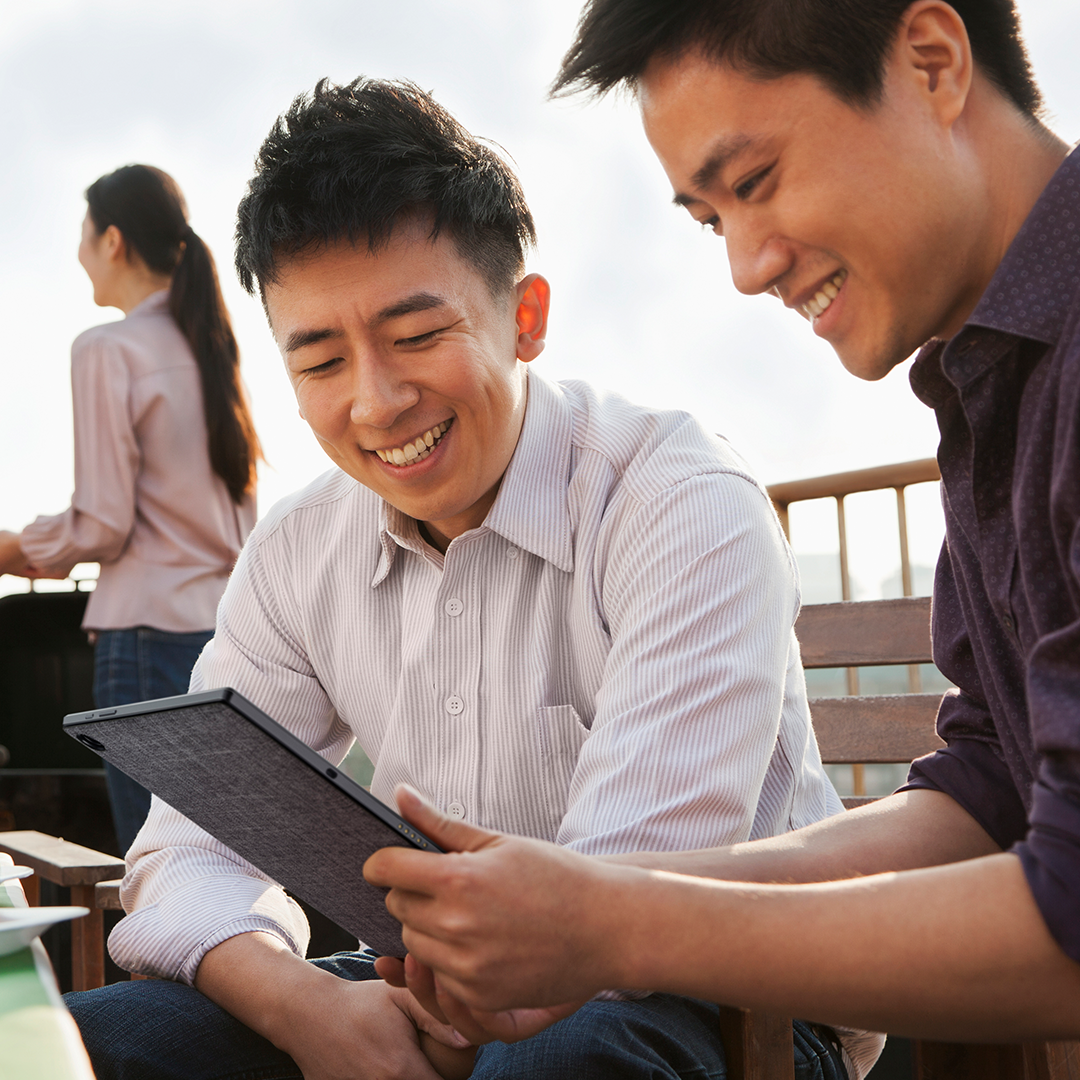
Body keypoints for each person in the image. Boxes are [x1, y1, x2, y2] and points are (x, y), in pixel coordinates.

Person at [62, 78, 876, 1080]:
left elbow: (627, 895)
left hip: (717, 998)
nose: (376, 401)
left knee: (555, 1066)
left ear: (525, 317)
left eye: (415, 337)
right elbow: (189, 849)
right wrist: (308, 1007)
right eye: (319, 360)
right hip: (423, 979)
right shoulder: (297, 550)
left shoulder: (676, 500)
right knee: (86, 1043)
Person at [361, 0, 1080, 1050]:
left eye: (754, 183)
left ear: (931, 62)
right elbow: (988, 792)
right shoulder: (997, 378)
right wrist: (582, 899)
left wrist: (616, 922)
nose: (746, 265)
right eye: (710, 220)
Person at [0, 166, 260, 852]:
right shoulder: (211, 348)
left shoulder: (105, 348)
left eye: (83, 237)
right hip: (222, 635)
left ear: (112, 240)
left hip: (145, 639)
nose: (80, 254)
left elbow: (103, 523)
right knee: (215, 865)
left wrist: (13, 548)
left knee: (160, 872)